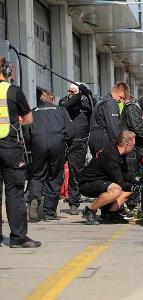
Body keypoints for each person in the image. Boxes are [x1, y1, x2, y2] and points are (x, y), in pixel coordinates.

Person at [0, 56, 40, 248]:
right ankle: (18, 237)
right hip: (10, 148)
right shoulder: (13, 91)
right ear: (7, 72)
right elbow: (29, 119)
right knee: (14, 192)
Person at [25, 90, 74, 222]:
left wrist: (32, 145)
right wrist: (67, 143)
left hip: (38, 144)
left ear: (41, 100)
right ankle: (49, 213)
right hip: (57, 144)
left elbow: (26, 134)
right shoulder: (61, 110)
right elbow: (70, 131)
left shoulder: (32, 111)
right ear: (52, 100)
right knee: (55, 176)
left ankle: (34, 199)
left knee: (37, 175)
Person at [79, 130, 139, 225]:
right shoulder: (111, 155)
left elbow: (124, 174)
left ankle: (110, 213)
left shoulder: (119, 153)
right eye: (133, 145)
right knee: (117, 190)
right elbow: (120, 182)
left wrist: (137, 181)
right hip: (88, 182)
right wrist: (135, 186)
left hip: (102, 180)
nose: (134, 147)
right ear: (126, 145)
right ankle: (90, 210)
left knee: (130, 188)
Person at [59, 83, 93, 215]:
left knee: (75, 174)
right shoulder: (64, 101)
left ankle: (74, 202)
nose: (70, 93)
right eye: (70, 91)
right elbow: (67, 105)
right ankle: (49, 205)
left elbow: (95, 107)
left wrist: (88, 94)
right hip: (64, 142)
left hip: (80, 143)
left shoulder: (86, 102)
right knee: (56, 172)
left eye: (74, 91)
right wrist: (79, 94)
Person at [89, 82, 129, 154]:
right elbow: (114, 128)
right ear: (114, 91)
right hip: (103, 141)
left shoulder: (101, 101)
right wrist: (121, 145)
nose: (121, 101)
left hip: (94, 139)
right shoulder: (111, 103)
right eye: (121, 97)